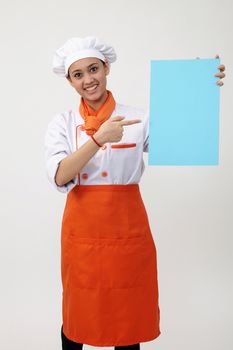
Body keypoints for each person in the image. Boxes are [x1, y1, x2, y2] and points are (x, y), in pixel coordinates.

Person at [44, 36, 226, 350]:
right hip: (81, 231)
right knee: (77, 311)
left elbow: (182, 141)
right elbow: (60, 174)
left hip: (127, 228)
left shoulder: (139, 119)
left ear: (106, 68)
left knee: (127, 314)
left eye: (94, 69)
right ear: (69, 80)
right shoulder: (62, 123)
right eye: (78, 74)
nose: (89, 79)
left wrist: (198, 89)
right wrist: (98, 139)